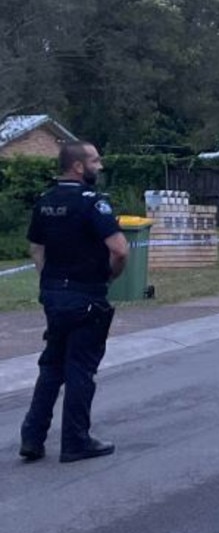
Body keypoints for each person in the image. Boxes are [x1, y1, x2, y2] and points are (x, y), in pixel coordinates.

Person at [19, 141, 129, 463]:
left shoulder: (46, 201)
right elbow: (120, 249)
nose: (101, 165)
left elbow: (36, 248)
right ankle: (76, 440)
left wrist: (49, 281)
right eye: (95, 161)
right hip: (86, 295)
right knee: (80, 368)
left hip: (54, 295)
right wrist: (110, 276)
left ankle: (32, 436)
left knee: (52, 366)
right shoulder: (92, 203)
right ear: (78, 167)